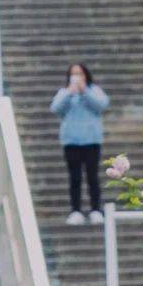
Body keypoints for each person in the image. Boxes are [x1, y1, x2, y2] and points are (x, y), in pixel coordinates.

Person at [50, 63, 110, 226]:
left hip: (91, 140)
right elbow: (55, 108)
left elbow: (102, 105)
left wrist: (85, 91)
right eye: (74, 74)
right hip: (71, 140)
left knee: (92, 177)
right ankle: (75, 210)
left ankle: (95, 209)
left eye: (80, 74)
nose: (77, 77)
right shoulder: (65, 92)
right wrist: (70, 92)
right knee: (74, 177)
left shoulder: (94, 90)